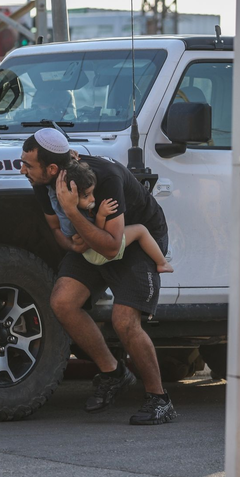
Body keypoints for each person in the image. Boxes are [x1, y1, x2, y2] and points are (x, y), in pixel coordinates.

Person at [20, 127, 177, 425]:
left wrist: (75, 215)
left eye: (28, 165)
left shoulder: (103, 178)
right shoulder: (41, 181)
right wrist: (73, 241)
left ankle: (160, 399)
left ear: (53, 168)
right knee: (63, 302)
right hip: (92, 239)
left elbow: (111, 247)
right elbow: (56, 229)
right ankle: (113, 373)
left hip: (134, 241)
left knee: (124, 321)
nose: (22, 170)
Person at [61, 161, 174, 273]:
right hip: (97, 253)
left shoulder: (71, 211)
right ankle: (162, 263)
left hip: (90, 254)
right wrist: (101, 215)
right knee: (141, 230)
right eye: (86, 196)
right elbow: (96, 234)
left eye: (92, 193)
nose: (92, 199)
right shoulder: (77, 215)